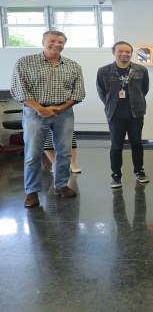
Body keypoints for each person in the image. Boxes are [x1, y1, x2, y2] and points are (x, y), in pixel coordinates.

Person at [11, 30, 86, 207]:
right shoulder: (25, 62)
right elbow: (19, 90)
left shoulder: (73, 66)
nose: (56, 45)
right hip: (34, 112)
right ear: (43, 41)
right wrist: (40, 109)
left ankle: (61, 185)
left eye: (60, 42)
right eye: (52, 41)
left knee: (65, 152)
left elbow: (78, 93)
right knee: (32, 154)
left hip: (64, 112)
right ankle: (32, 192)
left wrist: (61, 108)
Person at [96, 40, 151, 188]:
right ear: (114, 52)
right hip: (115, 115)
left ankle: (139, 171)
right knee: (116, 145)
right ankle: (116, 174)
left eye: (127, 52)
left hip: (136, 114)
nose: (124, 54)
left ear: (131, 54)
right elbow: (102, 92)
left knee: (137, 143)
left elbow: (144, 90)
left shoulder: (141, 70)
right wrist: (110, 105)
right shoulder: (104, 71)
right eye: (120, 51)